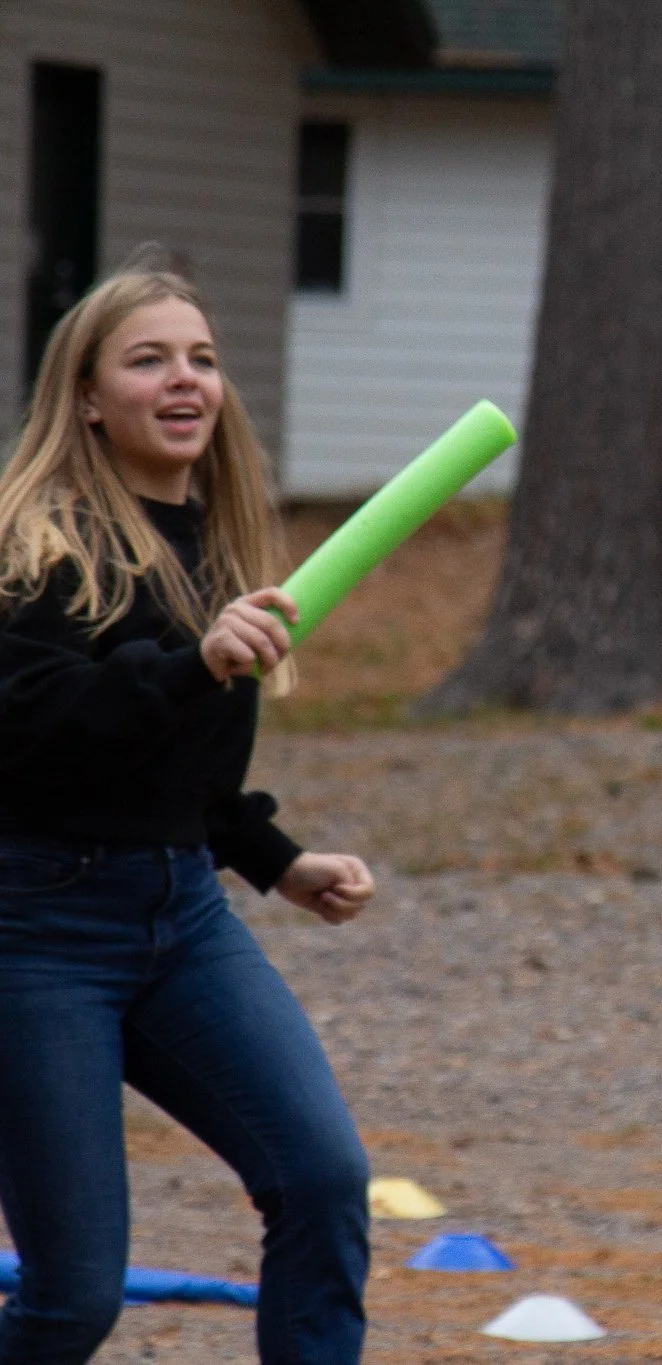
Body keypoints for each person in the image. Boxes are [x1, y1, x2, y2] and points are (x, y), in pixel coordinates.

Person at [0, 261, 376, 1364]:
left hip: (182, 919)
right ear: (86, 396)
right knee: (72, 1297)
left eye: (202, 359)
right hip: (34, 929)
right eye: (149, 358)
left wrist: (278, 859)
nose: (185, 380)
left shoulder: (213, 542)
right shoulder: (36, 543)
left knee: (322, 1180)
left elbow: (186, 773)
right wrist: (190, 664)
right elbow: (31, 728)